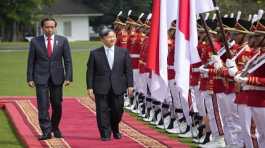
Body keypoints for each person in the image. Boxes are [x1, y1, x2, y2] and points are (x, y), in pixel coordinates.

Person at [27, 17, 73, 140]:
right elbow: (31, 61)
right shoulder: (35, 42)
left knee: (57, 104)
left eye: (52, 27)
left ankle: (55, 127)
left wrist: (68, 77)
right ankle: (46, 131)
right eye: (47, 27)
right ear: (42, 28)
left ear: (55, 27)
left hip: (57, 77)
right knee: (43, 105)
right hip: (40, 77)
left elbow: (67, 60)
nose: (49, 29)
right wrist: (29, 78)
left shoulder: (63, 41)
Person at [86, 27, 133, 141]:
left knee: (118, 110)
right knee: (102, 111)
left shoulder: (123, 52)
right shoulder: (95, 53)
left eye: (113, 36)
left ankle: (115, 128)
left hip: (118, 86)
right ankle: (105, 133)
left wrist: (130, 85)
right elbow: (90, 71)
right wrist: (90, 87)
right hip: (101, 87)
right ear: (102, 39)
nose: (112, 39)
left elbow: (128, 70)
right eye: (109, 37)